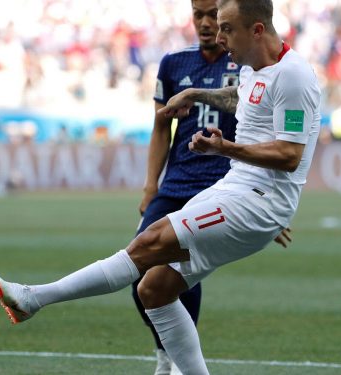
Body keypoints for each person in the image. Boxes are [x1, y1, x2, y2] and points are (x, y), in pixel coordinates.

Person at [0, 0, 320, 373]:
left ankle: (34, 298)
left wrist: (224, 147)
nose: (219, 34)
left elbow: (289, 154)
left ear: (257, 30)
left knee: (147, 243)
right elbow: (241, 98)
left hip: (260, 202)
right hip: (236, 188)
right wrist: (195, 95)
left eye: (227, 27)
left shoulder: (294, 76)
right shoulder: (252, 68)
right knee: (154, 290)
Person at [134, 0, 240, 373]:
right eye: (199, 15)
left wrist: (264, 195)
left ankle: (180, 363)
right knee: (137, 269)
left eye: (214, 14)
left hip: (220, 187)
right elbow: (161, 126)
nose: (207, 23)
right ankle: (167, 353)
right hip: (174, 185)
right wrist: (151, 186)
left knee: (181, 270)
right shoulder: (173, 63)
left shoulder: (244, 64)